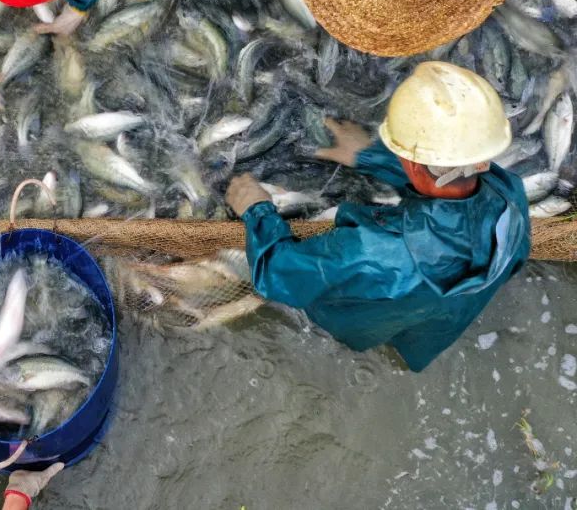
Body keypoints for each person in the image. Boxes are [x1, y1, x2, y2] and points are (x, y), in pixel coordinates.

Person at [226, 62, 531, 372]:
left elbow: (277, 273)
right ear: (481, 156)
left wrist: (257, 210)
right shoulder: (511, 197)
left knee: (356, 328)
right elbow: (443, 181)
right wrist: (370, 156)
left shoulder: (371, 251)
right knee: (413, 341)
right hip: (443, 322)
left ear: (410, 163)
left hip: (364, 316)